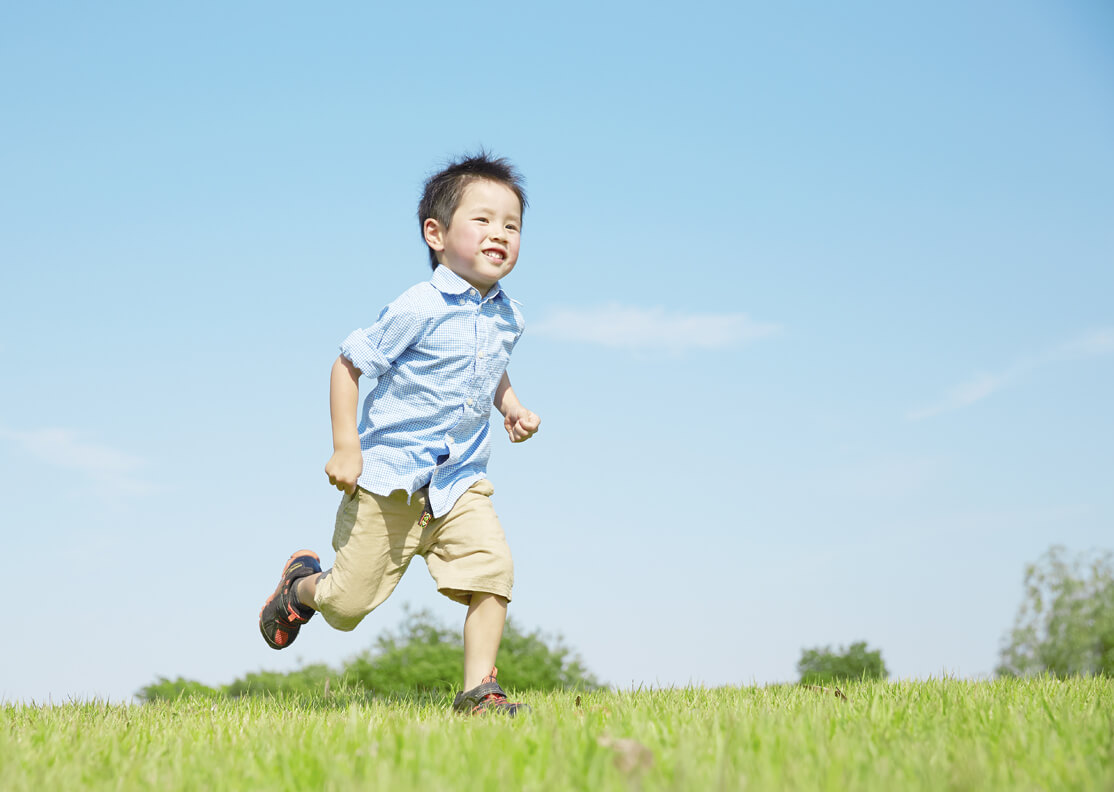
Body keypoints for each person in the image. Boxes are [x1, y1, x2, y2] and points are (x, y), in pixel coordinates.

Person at [258, 152, 540, 716]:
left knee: (494, 572)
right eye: (482, 220)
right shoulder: (420, 306)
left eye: (512, 225)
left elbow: (488, 367)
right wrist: (346, 445)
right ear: (436, 233)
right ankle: (300, 588)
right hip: (390, 484)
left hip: (460, 481)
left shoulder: (510, 316)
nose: (500, 234)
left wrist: (510, 405)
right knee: (346, 606)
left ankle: (479, 692)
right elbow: (348, 364)